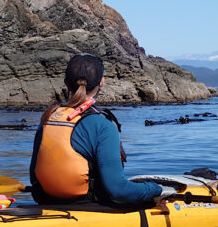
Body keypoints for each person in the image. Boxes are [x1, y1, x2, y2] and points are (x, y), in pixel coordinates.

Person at [30, 53, 175, 205]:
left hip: (46, 201)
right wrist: (157, 189)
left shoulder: (48, 118)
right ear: (102, 83)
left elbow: (35, 177)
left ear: (66, 83)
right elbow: (118, 190)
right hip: (88, 205)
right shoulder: (103, 126)